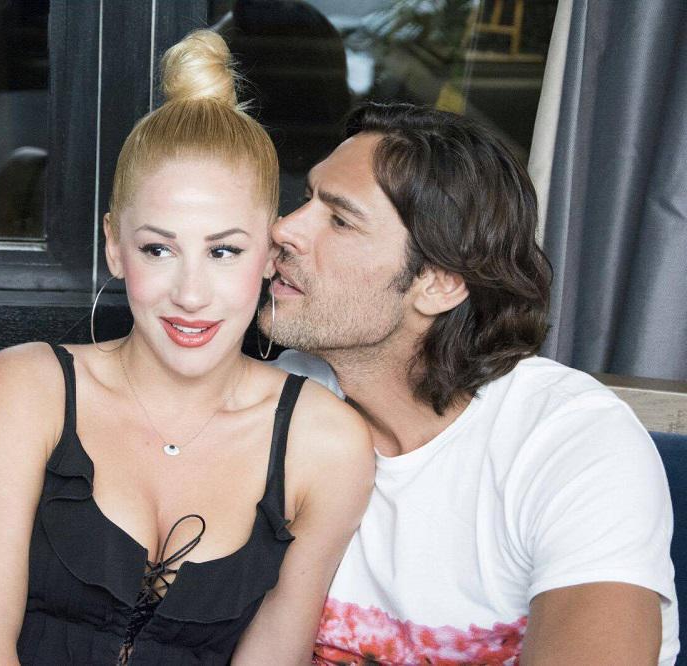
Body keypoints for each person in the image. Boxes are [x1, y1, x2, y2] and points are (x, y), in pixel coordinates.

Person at [0, 30, 374, 664]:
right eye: (158, 249)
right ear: (115, 246)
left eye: (224, 251)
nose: (190, 294)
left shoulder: (325, 445)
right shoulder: (27, 390)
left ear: (270, 254)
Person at [262, 102, 678, 664]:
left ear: (439, 284)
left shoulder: (569, 440)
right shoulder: (275, 399)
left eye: (339, 220)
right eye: (307, 199)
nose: (283, 229)